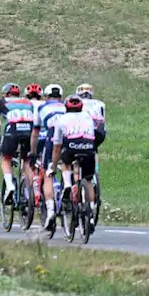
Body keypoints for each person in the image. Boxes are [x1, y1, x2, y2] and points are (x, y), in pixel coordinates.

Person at [0, 83, 39, 220]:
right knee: (28, 161)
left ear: (5, 94)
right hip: (29, 132)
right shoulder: (28, 102)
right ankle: (29, 193)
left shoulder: (1, 102)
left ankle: (10, 185)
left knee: (6, 159)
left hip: (13, 131)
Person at [51, 96, 99, 227]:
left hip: (71, 146)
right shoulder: (88, 117)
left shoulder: (61, 119)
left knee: (65, 163)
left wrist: (54, 167)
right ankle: (90, 214)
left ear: (66, 108)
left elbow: (56, 147)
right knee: (88, 180)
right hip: (88, 146)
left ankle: (67, 184)